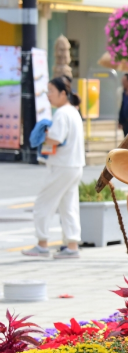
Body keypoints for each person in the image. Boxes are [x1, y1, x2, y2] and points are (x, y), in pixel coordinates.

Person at [23, 77, 84, 259]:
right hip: (74, 165)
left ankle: (42, 243)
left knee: (43, 203)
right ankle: (72, 245)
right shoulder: (73, 112)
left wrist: (43, 135)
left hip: (61, 165)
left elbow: (56, 138)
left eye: (51, 91)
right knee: (69, 206)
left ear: (62, 93)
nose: (48, 95)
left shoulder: (62, 114)